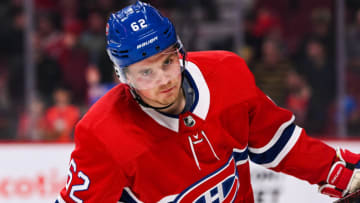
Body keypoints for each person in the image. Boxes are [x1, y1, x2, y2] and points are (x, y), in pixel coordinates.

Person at [56, 1, 360, 202]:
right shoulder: (103, 133)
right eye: (145, 72)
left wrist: (342, 173)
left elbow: (279, 144)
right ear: (124, 77)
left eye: (167, 62)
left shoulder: (227, 75)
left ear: (179, 52)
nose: (163, 79)